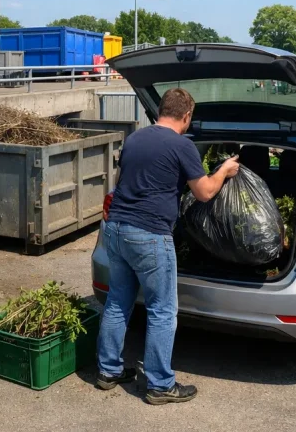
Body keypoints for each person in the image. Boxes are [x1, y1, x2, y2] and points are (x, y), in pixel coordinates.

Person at [96, 87, 240, 405]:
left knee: (117, 302)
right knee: (162, 311)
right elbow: (204, 192)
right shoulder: (181, 145)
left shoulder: (135, 138)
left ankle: (108, 371)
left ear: (162, 109)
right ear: (186, 116)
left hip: (116, 230)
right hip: (149, 235)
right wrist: (223, 171)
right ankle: (160, 385)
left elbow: (123, 183)